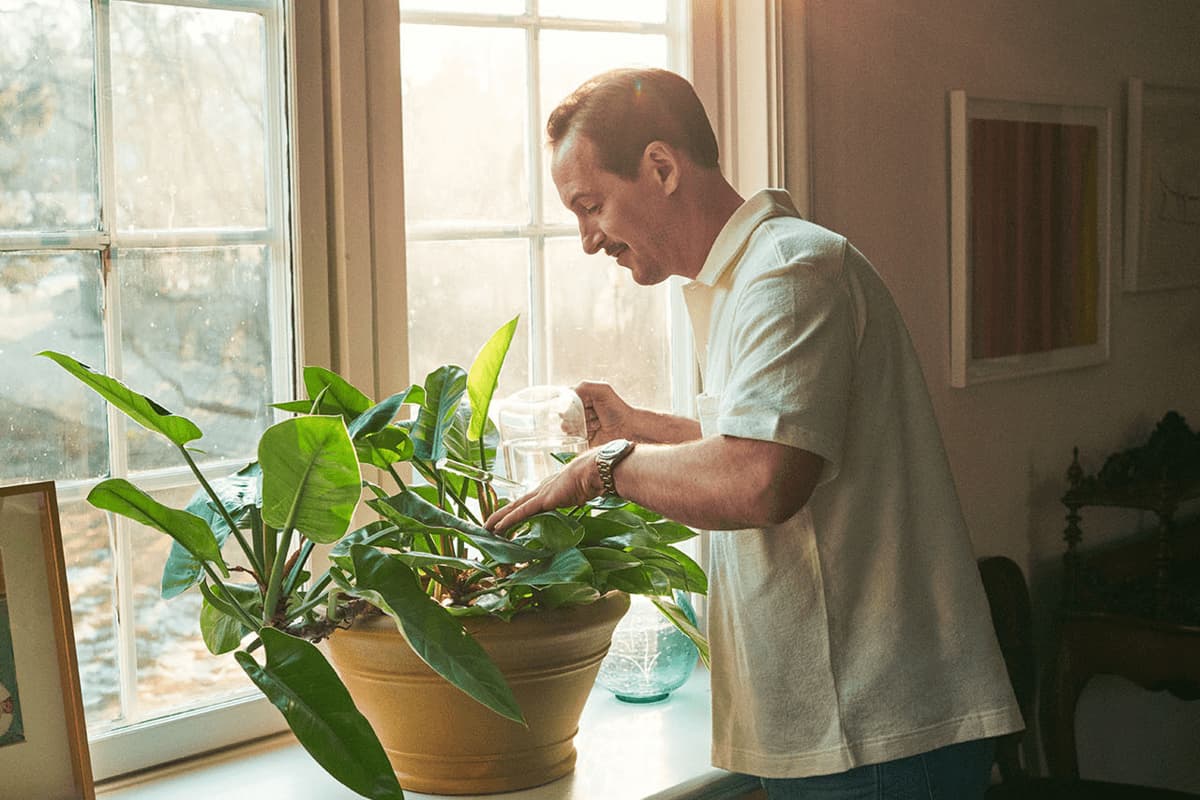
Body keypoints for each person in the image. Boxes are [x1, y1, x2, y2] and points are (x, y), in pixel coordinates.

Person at [485, 67, 1023, 799]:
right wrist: (646, 429)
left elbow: (761, 480)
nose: (586, 239)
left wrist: (603, 467)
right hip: (837, 733)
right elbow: (781, 443)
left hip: (878, 739)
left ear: (661, 167)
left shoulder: (790, 273)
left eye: (590, 205)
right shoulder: (740, 282)